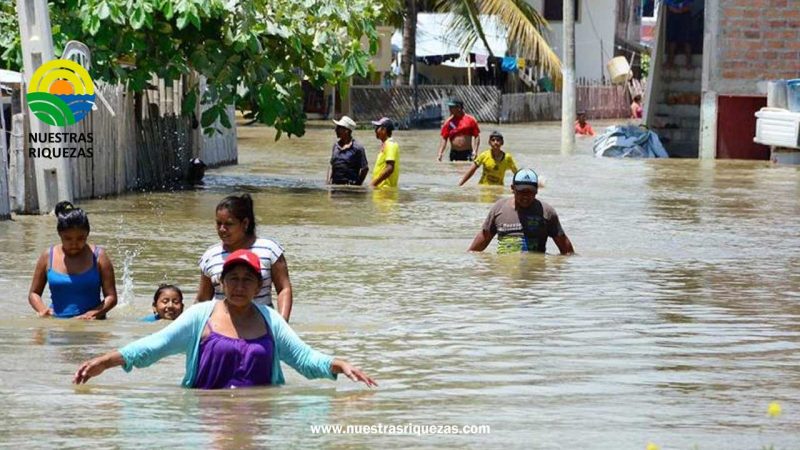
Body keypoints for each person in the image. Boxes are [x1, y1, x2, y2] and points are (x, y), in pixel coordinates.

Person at [73, 250, 377, 390]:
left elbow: (304, 358)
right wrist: (106, 360)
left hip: (262, 416)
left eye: (248, 280)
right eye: (233, 278)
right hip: (206, 419)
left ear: (259, 287)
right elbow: (152, 347)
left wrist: (338, 365)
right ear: (222, 283)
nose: (240, 286)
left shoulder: (271, 321)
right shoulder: (198, 316)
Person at [197, 194, 293, 322]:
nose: (222, 229)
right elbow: (203, 299)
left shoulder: (269, 249)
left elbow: (284, 289)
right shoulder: (210, 256)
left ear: (245, 223)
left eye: (229, 224)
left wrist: (282, 324)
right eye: (218, 223)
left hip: (262, 328)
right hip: (221, 329)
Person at [27, 201, 118, 319]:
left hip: (92, 326)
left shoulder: (99, 257)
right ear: (59, 234)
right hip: (57, 327)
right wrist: (42, 309)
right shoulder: (48, 257)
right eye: (68, 238)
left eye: (80, 238)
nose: (74, 244)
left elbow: (111, 297)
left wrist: (93, 313)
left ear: (87, 234)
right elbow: (33, 294)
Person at [468, 169, 575, 255]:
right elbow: (484, 237)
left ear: (537, 190)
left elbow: (566, 250)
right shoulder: (498, 209)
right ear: (512, 188)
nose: (525, 196)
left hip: (535, 274)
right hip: (506, 275)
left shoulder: (547, 213)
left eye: (530, 192)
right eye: (521, 192)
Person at [328, 116, 369, 185]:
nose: (335, 130)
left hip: (350, 186)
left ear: (346, 131)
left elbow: (365, 169)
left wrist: (357, 185)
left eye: (338, 128)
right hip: (335, 186)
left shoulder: (358, 148)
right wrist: (328, 183)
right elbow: (331, 166)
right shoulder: (335, 146)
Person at [369, 117, 400, 189]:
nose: (375, 130)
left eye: (377, 128)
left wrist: (373, 184)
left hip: (385, 191)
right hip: (381, 189)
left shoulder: (390, 145)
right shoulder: (386, 145)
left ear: (384, 130)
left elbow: (389, 168)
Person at [665, 0, 694, 69]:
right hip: (673, 15)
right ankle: (670, 62)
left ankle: (688, 63)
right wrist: (677, 10)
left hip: (685, 15)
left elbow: (690, 5)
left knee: (687, 40)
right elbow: (669, 6)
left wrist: (681, 10)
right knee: (672, 39)